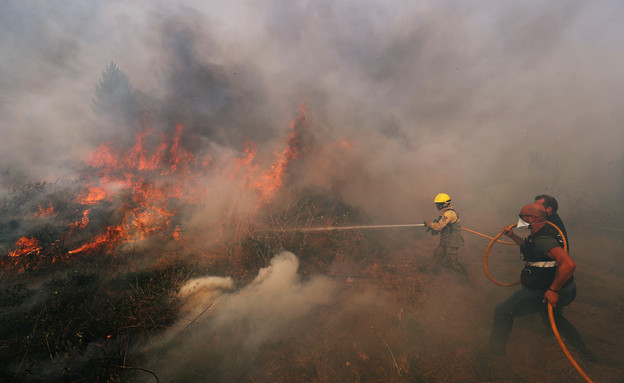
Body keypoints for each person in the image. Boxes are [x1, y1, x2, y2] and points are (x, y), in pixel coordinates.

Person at [489, 203, 595, 361]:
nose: (519, 219)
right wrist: (512, 236)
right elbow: (531, 247)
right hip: (543, 287)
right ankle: (585, 352)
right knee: (556, 320)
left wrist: (553, 291)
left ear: (533, 218)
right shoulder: (538, 233)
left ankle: (495, 357)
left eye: (522, 216)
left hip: (544, 290)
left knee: (503, 311)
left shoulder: (544, 239)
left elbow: (569, 264)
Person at [420, 193, 467, 277]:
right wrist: (432, 226)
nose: (438, 206)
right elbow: (439, 225)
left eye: (439, 204)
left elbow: (439, 227)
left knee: (452, 262)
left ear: (445, 204)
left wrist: (430, 224)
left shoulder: (448, 214)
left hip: (453, 241)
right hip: (446, 240)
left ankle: (464, 276)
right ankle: (430, 270)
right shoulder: (444, 213)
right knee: (437, 256)